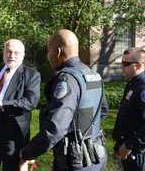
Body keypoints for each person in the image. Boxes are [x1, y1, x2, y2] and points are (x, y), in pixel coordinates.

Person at [20, 29, 108, 171]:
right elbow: (102, 111)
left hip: (75, 161)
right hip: (96, 157)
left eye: (49, 51)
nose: (48, 55)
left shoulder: (67, 79)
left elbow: (56, 128)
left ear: (58, 52)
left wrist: (26, 154)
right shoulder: (93, 74)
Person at [0, 39, 41, 171]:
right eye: (9, 51)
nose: (12, 55)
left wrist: (2, 103)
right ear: (3, 53)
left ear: (23, 55)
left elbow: (30, 102)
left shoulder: (31, 75)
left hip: (12, 136)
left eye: (16, 52)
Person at [112, 47, 145, 171]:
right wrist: (118, 144)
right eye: (122, 63)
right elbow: (126, 116)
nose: (122, 67)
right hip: (126, 147)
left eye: (126, 64)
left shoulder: (142, 87)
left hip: (137, 152)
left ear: (138, 65)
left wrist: (130, 145)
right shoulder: (133, 83)